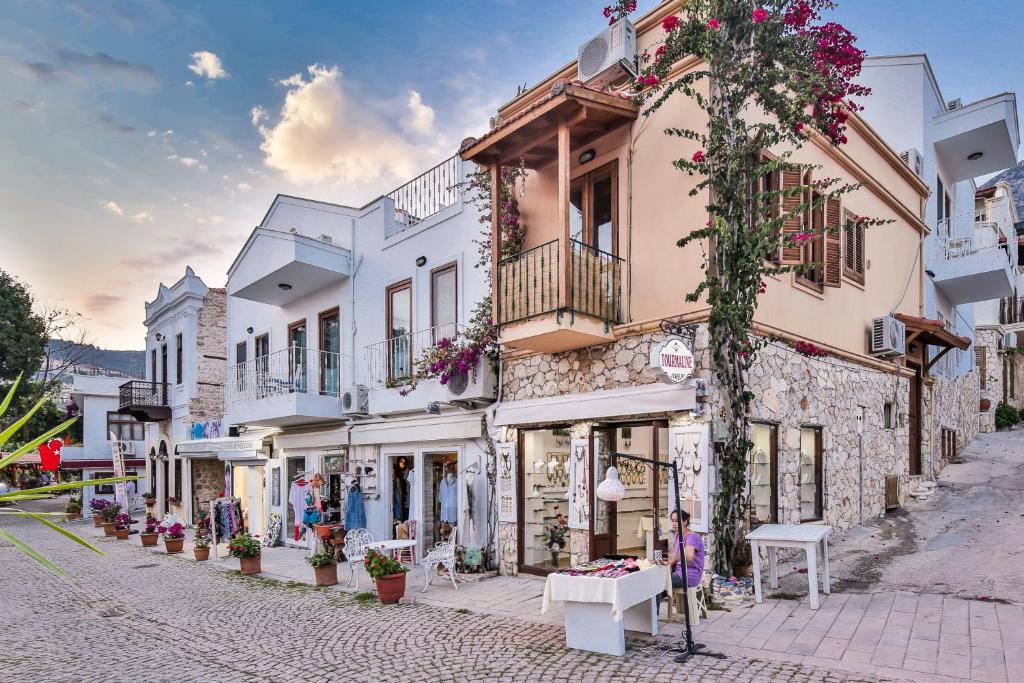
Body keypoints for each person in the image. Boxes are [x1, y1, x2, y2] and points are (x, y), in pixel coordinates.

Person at [665, 509, 705, 623]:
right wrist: (669, 564)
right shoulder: (678, 535)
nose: (674, 523)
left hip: (690, 574)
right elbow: (677, 555)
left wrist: (675, 560)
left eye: (677, 521)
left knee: (657, 582)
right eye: (672, 521)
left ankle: (654, 615)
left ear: (685, 521)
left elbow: (689, 556)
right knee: (657, 576)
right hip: (680, 572)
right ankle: (654, 615)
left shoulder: (692, 537)